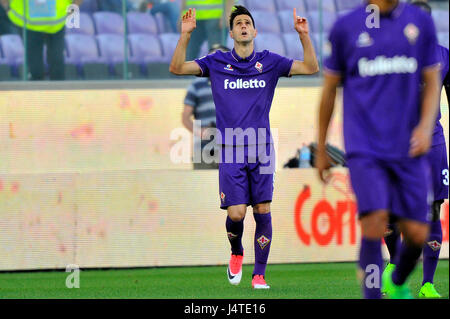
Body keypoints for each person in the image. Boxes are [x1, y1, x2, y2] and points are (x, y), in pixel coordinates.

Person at [170, 5, 318, 289]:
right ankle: (236, 252)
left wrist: (304, 36)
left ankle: (259, 274)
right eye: (238, 23)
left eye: (247, 22)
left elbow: (311, 67)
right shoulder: (216, 62)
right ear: (231, 32)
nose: (243, 26)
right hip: (230, 148)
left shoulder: (270, 62)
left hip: (262, 148)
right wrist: (186, 36)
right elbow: (177, 67)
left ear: (255, 30)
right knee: (236, 213)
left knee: (262, 209)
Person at [316, 0, 441, 299]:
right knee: (375, 223)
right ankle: (372, 295)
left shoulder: (420, 23)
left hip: (407, 147)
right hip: (365, 146)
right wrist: (321, 147)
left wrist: (425, 127)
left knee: (418, 233)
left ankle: (397, 281)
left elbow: (433, 79)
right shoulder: (345, 27)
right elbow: (330, 89)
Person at [382, 0, 449, 299]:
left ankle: (427, 284)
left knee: (434, 211)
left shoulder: (443, 57)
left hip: (432, 141)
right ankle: (396, 269)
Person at [3, 0, 84, 80]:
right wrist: (7, 8)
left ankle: (57, 91)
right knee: (37, 69)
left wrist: (7, 8)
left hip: (54, 24)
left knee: (56, 66)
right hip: (30, 25)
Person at [182, 44, 230, 170]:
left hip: (231, 152)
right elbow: (185, 118)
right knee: (203, 188)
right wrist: (200, 132)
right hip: (203, 151)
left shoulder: (238, 86)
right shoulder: (197, 86)